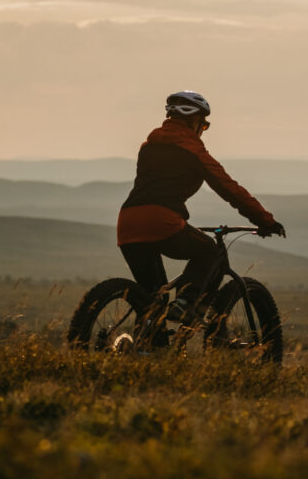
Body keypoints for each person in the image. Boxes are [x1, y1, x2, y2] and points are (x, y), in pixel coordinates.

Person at [117, 90, 285, 320]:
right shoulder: (194, 151)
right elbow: (229, 189)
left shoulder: (148, 147)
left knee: (153, 298)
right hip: (162, 221)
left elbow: (154, 187)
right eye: (203, 125)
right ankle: (186, 302)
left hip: (127, 222)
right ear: (193, 121)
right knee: (211, 251)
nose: (203, 130)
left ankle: (148, 349)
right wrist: (265, 221)